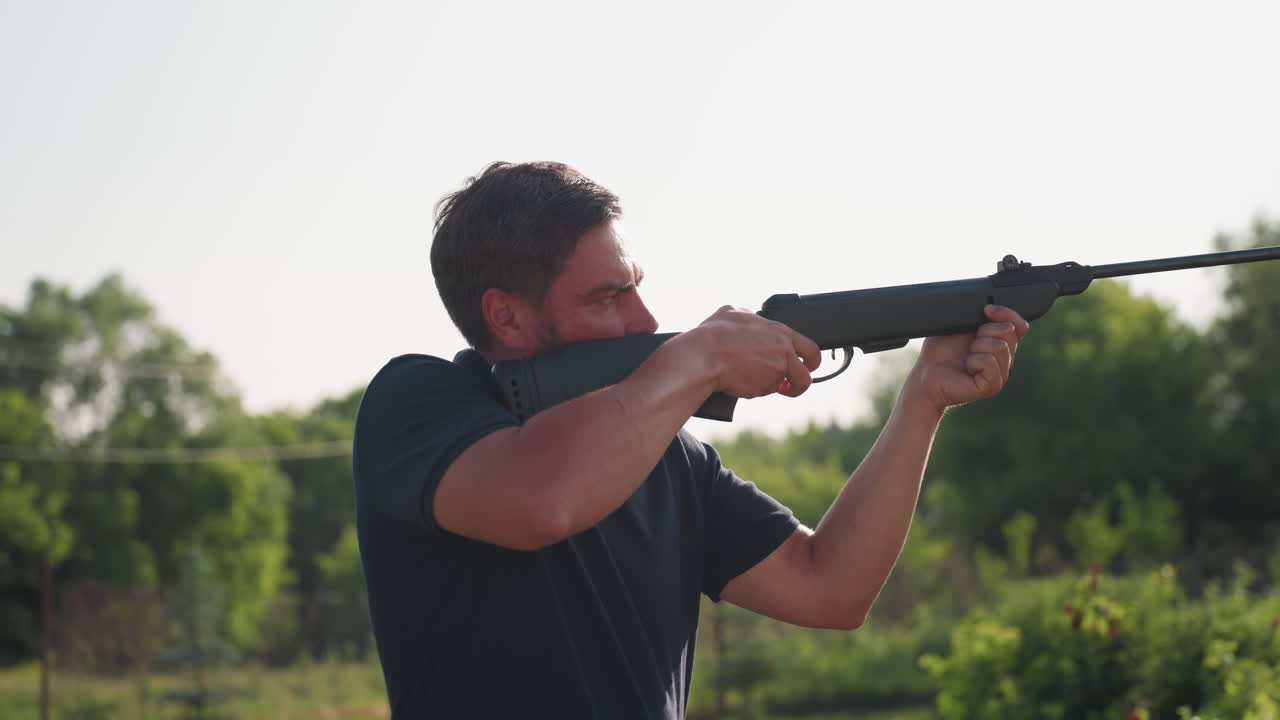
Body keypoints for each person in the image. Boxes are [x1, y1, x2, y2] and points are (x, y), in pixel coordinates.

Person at [353, 161, 1029, 719]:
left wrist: (922, 401)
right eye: (606, 297)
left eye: (637, 288)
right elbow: (543, 501)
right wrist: (694, 361)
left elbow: (832, 590)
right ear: (506, 316)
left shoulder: (670, 455)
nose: (646, 317)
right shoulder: (418, 403)